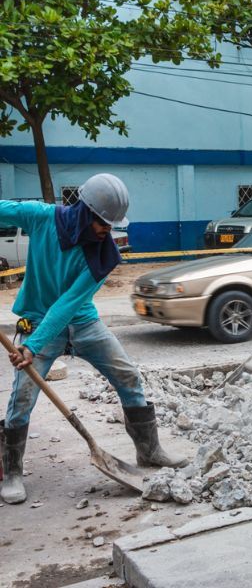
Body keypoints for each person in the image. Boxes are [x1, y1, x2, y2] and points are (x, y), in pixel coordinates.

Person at [0, 174, 185, 505]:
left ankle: (149, 451)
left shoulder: (105, 253)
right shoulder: (41, 218)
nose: (107, 231)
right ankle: (12, 470)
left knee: (128, 376)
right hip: (39, 322)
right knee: (22, 397)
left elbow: (69, 303)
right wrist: (35, 341)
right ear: (84, 211)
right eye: (103, 222)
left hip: (82, 323)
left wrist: (33, 346)